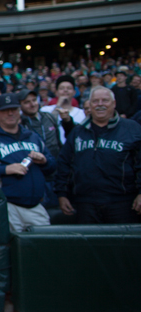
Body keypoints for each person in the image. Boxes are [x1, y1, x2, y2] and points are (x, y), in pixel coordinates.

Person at [0, 94, 56, 233]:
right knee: (10, 249)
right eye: (5, 110)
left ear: (19, 111)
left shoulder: (33, 137)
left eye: (13, 109)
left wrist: (44, 161)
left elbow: (52, 167)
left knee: (43, 248)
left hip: (35, 205)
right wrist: (5, 169)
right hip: (6, 205)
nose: (10, 113)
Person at [55, 87, 141, 224]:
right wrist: (62, 194)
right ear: (90, 105)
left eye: (105, 100)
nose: (100, 104)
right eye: (95, 101)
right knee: (90, 245)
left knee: (121, 245)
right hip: (85, 204)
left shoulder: (132, 129)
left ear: (114, 103)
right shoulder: (78, 132)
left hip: (123, 203)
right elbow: (64, 164)